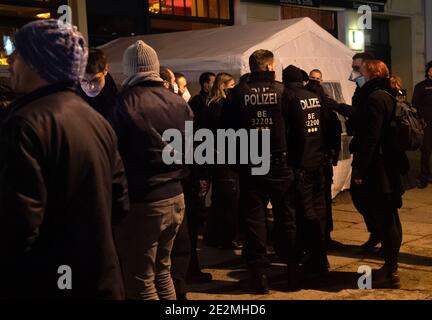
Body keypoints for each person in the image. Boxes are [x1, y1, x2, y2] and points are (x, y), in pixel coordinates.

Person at [0, 19, 129, 300]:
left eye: (18, 54)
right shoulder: (96, 119)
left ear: (38, 63)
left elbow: (19, 223)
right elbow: (120, 202)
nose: (10, 62)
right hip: (99, 276)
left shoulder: (24, 123)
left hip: (50, 282)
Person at [112, 40, 193, 300]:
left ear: (129, 70)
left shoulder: (123, 104)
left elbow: (114, 156)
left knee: (140, 281)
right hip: (175, 195)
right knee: (163, 271)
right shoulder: (179, 102)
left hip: (144, 200)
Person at [222, 50, 297, 294]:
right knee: (285, 215)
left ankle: (258, 276)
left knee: (254, 218)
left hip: (252, 161)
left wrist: (236, 161)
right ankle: (292, 271)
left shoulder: (237, 93)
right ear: (269, 66)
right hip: (279, 160)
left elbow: (227, 131)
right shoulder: (283, 91)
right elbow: (294, 128)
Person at [350, 60, 408, 288]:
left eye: (360, 71)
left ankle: (391, 270)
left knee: (385, 217)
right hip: (391, 164)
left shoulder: (376, 98)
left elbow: (370, 138)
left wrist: (359, 169)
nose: (357, 74)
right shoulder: (389, 93)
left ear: (371, 74)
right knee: (390, 215)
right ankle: (391, 266)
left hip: (380, 168)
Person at [283, 65, 329, 276]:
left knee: (304, 213)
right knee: (319, 211)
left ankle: (312, 258)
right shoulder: (313, 97)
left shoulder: (288, 98)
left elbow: (288, 132)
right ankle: (320, 256)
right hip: (317, 161)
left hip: (300, 164)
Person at [202, 72, 241, 250]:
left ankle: (214, 236)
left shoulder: (211, 103)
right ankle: (224, 237)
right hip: (223, 156)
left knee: (220, 198)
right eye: (232, 86)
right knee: (227, 198)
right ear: (224, 86)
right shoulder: (221, 105)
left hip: (217, 155)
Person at [306, 70, 343, 249]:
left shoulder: (312, 106)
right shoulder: (327, 108)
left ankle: (318, 236)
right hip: (321, 159)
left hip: (315, 160)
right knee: (322, 200)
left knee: (317, 199)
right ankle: (323, 235)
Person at [79, 48, 118, 120]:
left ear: (105, 70)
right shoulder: (69, 101)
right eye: (83, 80)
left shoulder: (120, 105)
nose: (91, 87)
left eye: (96, 80)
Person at [412, 61, 432, 189]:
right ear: (428, 71)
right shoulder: (421, 86)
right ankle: (424, 176)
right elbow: (415, 105)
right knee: (426, 151)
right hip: (426, 125)